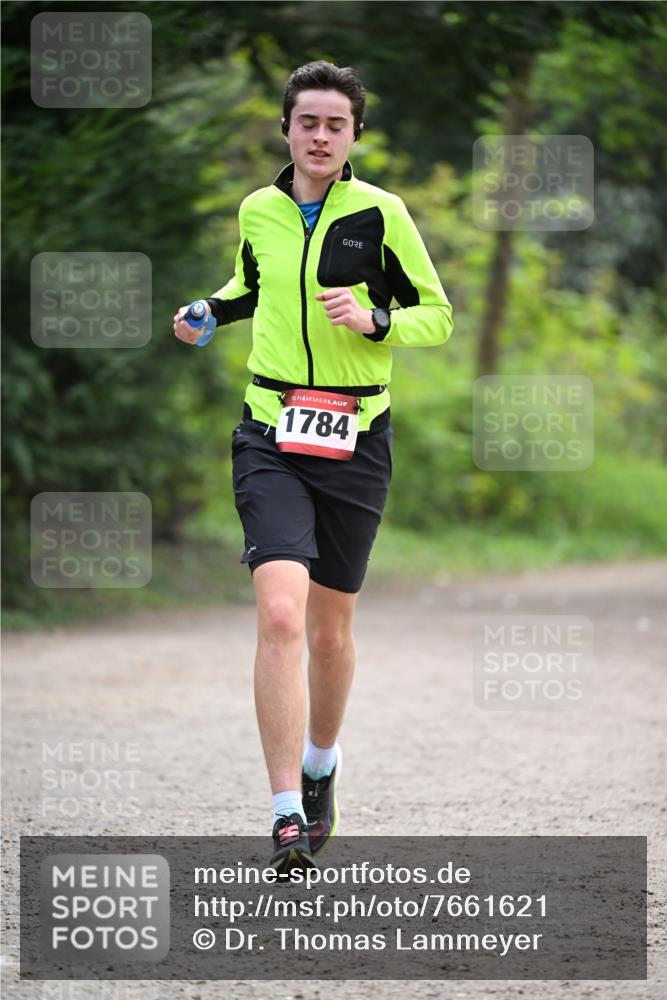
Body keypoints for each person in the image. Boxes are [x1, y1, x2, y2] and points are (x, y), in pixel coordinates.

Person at [173, 60, 453, 874]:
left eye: (336, 124)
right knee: (283, 616)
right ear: (287, 129)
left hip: (354, 438)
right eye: (308, 122)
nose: (321, 135)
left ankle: (321, 765)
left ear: (354, 134)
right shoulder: (258, 208)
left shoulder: (381, 213)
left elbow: (434, 315)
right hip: (270, 430)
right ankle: (285, 813)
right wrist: (207, 312)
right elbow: (252, 285)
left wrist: (375, 320)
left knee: (330, 632)